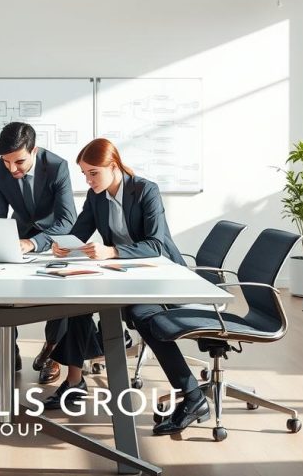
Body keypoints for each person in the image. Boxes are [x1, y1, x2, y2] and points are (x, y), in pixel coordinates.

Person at [46, 138, 208, 436]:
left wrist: (112, 252)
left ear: (113, 166)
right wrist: (64, 247)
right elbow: (80, 232)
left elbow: (156, 244)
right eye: (84, 174)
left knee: (144, 315)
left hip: (159, 274)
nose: (88, 180)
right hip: (121, 272)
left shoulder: (145, 190)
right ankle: (74, 383)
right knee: (77, 306)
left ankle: (193, 397)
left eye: (93, 173)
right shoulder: (96, 197)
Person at [0, 122, 77, 385]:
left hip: (52, 239)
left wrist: (34, 242)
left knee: (59, 294)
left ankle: (53, 351)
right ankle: (7, 353)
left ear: (34, 150)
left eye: (18, 162)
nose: (12, 169)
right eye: (6, 162)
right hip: (16, 238)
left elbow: (67, 220)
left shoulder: (56, 166)